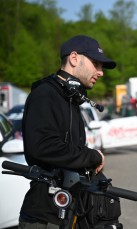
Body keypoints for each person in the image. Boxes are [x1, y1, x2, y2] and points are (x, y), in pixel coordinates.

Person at [19, 35, 116, 228]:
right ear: (74, 58)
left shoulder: (70, 97)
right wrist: (92, 156)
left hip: (72, 209)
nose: (100, 72)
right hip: (45, 215)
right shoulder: (45, 94)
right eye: (96, 64)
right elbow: (43, 146)